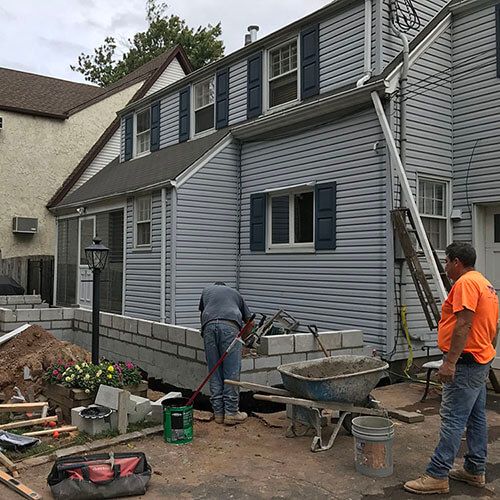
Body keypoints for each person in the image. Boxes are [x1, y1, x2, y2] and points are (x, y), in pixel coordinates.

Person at [404, 242, 498, 494]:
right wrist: (486, 351)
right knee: (476, 416)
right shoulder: (485, 283)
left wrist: (449, 362)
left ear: (457, 262)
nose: (445, 267)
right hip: (480, 359)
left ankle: (437, 475)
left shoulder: (466, 284)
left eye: (446, 262)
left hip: (466, 362)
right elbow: (494, 326)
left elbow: (464, 324)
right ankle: (474, 469)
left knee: (453, 419)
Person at [199, 282, 253, 426]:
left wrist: (206, 333)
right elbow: (250, 322)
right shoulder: (235, 294)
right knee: (231, 371)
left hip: (209, 328)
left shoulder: (207, 291)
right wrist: (245, 339)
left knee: (214, 371)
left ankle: (218, 414)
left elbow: (203, 313)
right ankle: (231, 413)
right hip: (230, 328)